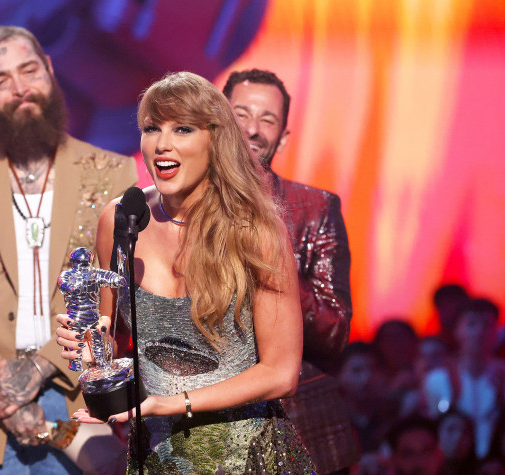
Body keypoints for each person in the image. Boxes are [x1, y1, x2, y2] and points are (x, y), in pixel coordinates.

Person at [57, 71, 314, 473]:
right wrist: (90, 350)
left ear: (215, 140)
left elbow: (281, 373)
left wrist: (172, 404)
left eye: (182, 129)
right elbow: (109, 336)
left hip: (250, 458)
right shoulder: (121, 219)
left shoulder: (255, 232)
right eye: (151, 128)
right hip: (161, 457)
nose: (162, 144)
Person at [0, 25, 137, 473]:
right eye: (0, 81)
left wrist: (39, 368)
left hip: (80, 393)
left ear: (50, 70)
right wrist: (2, 393)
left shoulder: (112, 173)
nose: (21, 89)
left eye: (29, 70)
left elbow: (115, 296)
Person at [223, 68, 358, 472]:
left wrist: (268, 259)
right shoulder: (180, 206)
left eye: (267, 119)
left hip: (294, 427)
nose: (252, 129)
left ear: (282, 136)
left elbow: (335, 332)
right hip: (202, 424)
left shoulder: (315, 209)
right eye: (241, 114)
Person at [423, 297, 505, 458]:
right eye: (471, 324)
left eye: (487, 325)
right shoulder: (438, 378)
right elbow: (437, 415)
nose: (479, 332)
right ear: (457, 330)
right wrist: (452, 396)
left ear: (497, 331)